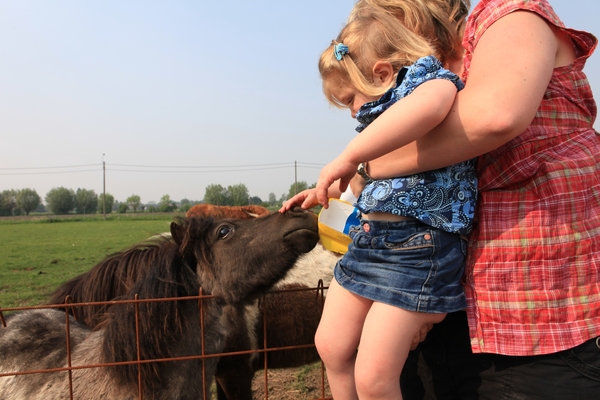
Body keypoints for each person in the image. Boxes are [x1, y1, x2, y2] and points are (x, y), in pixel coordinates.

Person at [309, 0, 600, 398]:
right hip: (457, 310)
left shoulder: (507, 15)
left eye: (383, 21)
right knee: (346, 353)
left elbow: (493, 115)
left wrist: (362, 163)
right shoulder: (415, 78)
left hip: (537, 314)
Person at [282, 4, 477, 399]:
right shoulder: (379, 124)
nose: (353, 111)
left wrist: (349, 155)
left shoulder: (431, 83)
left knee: (374, 377)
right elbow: (369, 179)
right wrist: (332, 191)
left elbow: (429, 106)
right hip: (371, 243)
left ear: (383, 73)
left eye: (350, 98)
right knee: (331, 345)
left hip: (418, 251)